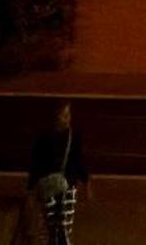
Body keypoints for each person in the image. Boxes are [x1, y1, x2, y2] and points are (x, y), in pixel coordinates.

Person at [21, 101, 89, 245]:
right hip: (48, 186)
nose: (67, 118)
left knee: (64, 225)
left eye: (68, 114)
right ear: (55, 117)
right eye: (64, 115)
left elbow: (78, 159)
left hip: (68, 185)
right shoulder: (43, 138)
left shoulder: (73, 135)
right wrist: (30, 189)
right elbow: (36, 163)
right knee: (51, 225)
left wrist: (86, 181)